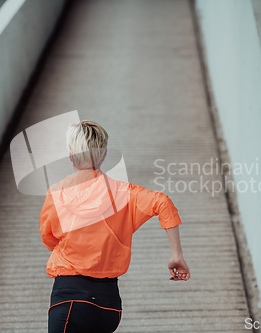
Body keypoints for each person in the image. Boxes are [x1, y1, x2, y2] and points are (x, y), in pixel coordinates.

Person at [40, 120, 190, 333]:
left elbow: (49, 238)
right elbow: (163, 202)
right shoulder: (125, 193)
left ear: (71, 156)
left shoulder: (58, 193)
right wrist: (176, 255)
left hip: (70, 300)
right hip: (109, 306)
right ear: (104, 154)